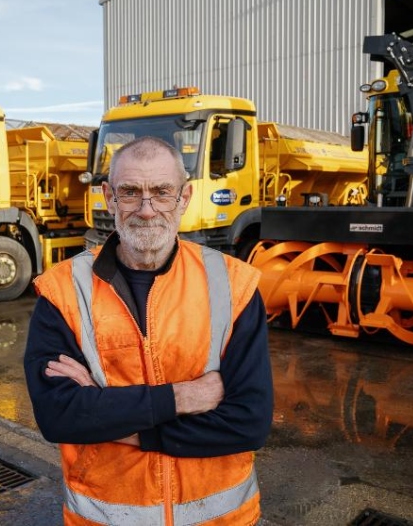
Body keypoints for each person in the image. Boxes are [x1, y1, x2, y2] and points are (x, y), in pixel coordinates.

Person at [23, 135, 274, 525]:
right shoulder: (63, 290)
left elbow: (249, 423)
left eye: (161, 191)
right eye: (130, 192)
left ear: (185, 198)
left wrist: (116, 420)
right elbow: (60, 417)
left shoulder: (232, 285)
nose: (146, 209)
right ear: (108, 197)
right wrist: (185, 396)